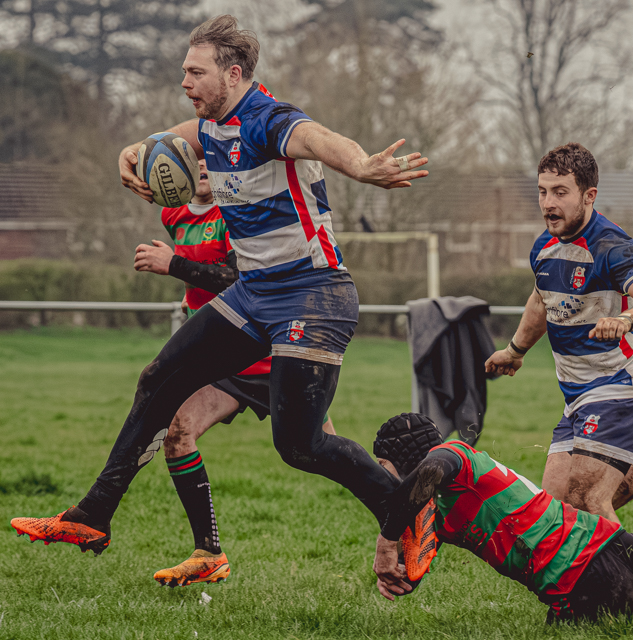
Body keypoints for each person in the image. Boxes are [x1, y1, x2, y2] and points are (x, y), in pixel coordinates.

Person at [11, 15, 428, 556]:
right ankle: (92, 515)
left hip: (313, 294)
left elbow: (319, 138)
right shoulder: (211, 125)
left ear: (233, 75)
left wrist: (363, 165)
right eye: (184, 71)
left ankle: (407, 513)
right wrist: (129, 152)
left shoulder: (267, 120)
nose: (184, 82)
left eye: (195, 72)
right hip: (255, 293)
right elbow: (164, 139)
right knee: (158, 378)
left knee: (300, 445)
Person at [485, 142, 633, 523]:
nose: (548, 203)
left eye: (560, 192)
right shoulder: (544, 246)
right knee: (555, 513)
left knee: (586, 499)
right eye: (543, 191)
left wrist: (627, 320)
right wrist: (515, 351)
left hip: (622, 387)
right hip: (577, 396)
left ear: (589, 196)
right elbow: (540, 300)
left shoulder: (611, 247)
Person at [371, 413, 633, 628]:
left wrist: (386, 540)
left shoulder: (454, 457)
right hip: (612, 543)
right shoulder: (437, 509)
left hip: (582, 577)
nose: (383, 476)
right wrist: (399, 573)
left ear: (402, 460)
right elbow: (417, 556)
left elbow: (431, 469)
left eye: (384, 466)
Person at [132, 158, 335, 586]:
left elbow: (239, 280)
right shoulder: (174, 215)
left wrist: (174, 265)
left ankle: (402, 503)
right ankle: (208, 552)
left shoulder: (235, 215)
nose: (202, 164)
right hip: (221, 359)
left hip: (269, 352)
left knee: (322, 451)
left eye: (209, 157)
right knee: (178, 432)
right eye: (193, 157)